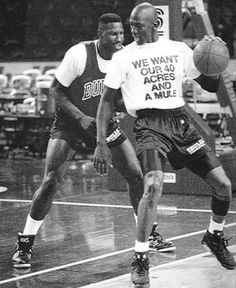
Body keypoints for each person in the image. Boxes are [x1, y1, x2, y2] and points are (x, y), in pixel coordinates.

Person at [12, 13, 173, 269]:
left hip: (103, 125)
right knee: (51, 181)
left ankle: (149, 234)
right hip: (69, 124)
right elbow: (55, 89)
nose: (120, 38)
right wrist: (79, 116)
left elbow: (117, 99)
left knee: (135, 176)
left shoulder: (124, 58)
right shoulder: (79, 54)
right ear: (100, 34)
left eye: (122, 33)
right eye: (113, 34)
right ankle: (25, 243)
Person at [93, 3, 236, 287]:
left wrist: (215, 63)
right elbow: (106, 102)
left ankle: (214, 236)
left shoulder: (179, 50)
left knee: (224, 186)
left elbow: (208, 85)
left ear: (154, 25)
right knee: (153, 186)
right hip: (148, 126)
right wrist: (100, 141)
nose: (132, 30)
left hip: (180, 122)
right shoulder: (123, 57)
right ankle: (141, 257)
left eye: (138, 25)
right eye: (130, 25)